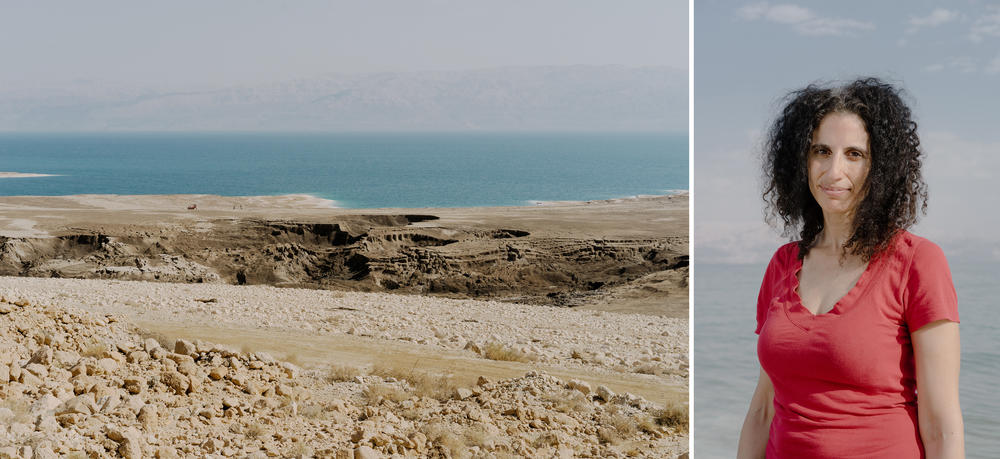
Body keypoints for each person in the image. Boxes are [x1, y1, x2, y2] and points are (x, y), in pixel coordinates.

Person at [736, 78, 964, 458]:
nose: (833, 170)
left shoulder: (917, 262)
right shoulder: (782, 263)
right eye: (821, 151)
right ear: (801, 160)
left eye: (854, 154)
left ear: (881, 167)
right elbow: (762, 410)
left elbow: (942, 426)